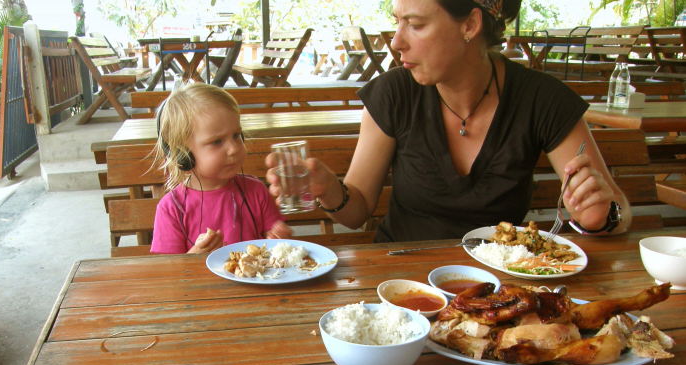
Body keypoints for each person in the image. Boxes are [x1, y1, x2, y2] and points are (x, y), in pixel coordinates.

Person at [267, 0, 632, 242]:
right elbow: (356, 210)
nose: (397, 42)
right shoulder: (394, 93)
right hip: (401, 283)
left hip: (499, 284)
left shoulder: (541, 99)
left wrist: (601, 217)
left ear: (470, 25)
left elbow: (619, 210)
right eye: (398, 23)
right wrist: (329, 188)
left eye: (415, 25)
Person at [151, 83, 291, 254]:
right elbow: (168, 272)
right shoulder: (172, 209)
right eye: (217, 141)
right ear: (183, 155)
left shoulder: (256, 191)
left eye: (236, 136)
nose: (233, 149)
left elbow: (278, 246)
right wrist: (193, 257)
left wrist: (280, 238)